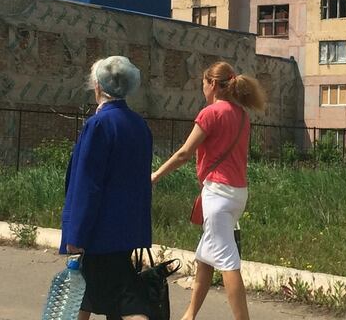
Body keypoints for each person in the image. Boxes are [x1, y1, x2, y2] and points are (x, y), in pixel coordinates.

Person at [151, 61, 267, 320]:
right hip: (237, 194)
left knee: (227, 262)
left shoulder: (210, 113)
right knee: (205, 256)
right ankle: (189, 315)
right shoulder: (242, 116)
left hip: (218, 194)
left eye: (203, 84)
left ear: (213, 84)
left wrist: (156, 175)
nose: (202, 89)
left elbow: (184, 153)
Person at [61, 56, 153, 320]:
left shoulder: (99, 124)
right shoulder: (139, 124)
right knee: (86, 293)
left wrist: (76, 233)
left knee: (126, 300)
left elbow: (87, 183)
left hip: (100, 229)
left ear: (99, 86)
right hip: (127, 225)